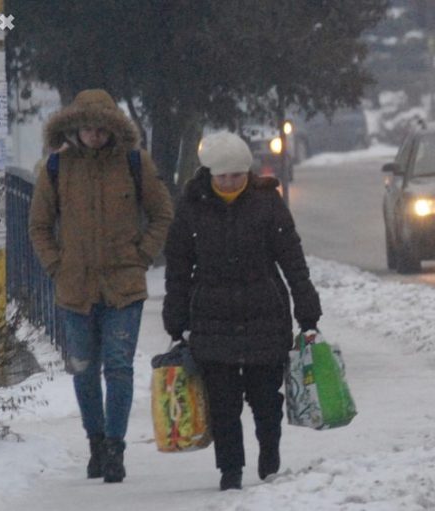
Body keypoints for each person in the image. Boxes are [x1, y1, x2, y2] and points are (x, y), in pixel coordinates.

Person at [161, 131, 322, 491]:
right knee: (223, 403)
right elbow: (178, 268)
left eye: (237, 175)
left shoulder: (268, 203)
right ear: (210, 174)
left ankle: (269, 453)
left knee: (266, 398)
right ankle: (230, 469)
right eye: (223, 176)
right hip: (211, 319)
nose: (231, 182)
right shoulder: (191, 207)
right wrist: (176, 321)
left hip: (264, 313)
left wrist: (307, 309)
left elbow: (292, 260)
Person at [29, 89, 174, 482]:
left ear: (113, 129)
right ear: (75, 128)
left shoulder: (133, 162)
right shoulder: (56, 167)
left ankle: (115, 446)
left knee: (120, 368)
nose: (95, 135)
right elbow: (39, 225)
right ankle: (95, 441)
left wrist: (142, 255)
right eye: (88, 129)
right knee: (83, 370)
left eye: (102, 129)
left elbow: (161, 212)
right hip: (74, 287)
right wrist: (56, 265)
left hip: (123, 285)